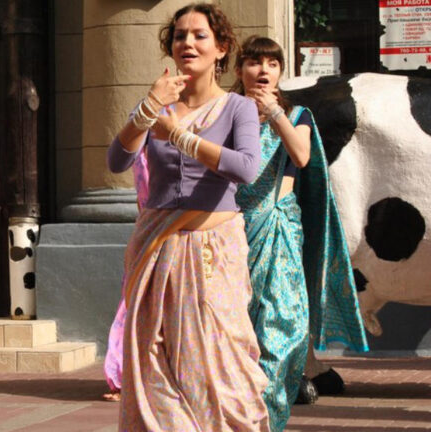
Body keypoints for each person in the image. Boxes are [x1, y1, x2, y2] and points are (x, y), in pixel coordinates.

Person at [107, 3, 270, 431]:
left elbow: (246, 167)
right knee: (152, 363)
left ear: (221, 49)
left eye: (199, 35)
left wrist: (179, 136)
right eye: (180, 35)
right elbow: (117, 161)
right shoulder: (157, 105)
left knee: (220, 365)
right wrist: (147, 109)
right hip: (157, 251)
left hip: (215, 253)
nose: (188, 43)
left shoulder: (237, 108)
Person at [233, 35, 369, 431]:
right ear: (240, 69)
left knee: (286, 326)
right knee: (236, 328)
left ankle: (268, 415)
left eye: (272, 64)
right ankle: (239, 411)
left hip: (279, 230)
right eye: (254, 63)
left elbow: (301, 155)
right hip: (230, 234)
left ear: (280, 72)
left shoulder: (297, 115)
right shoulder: (224, 111)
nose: (262, 71)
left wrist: (274, 111)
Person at [102, 152, 148, 403]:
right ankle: (121, 375)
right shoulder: (141, 145)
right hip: (147, 229)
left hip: (177, 230)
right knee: (131, 306)